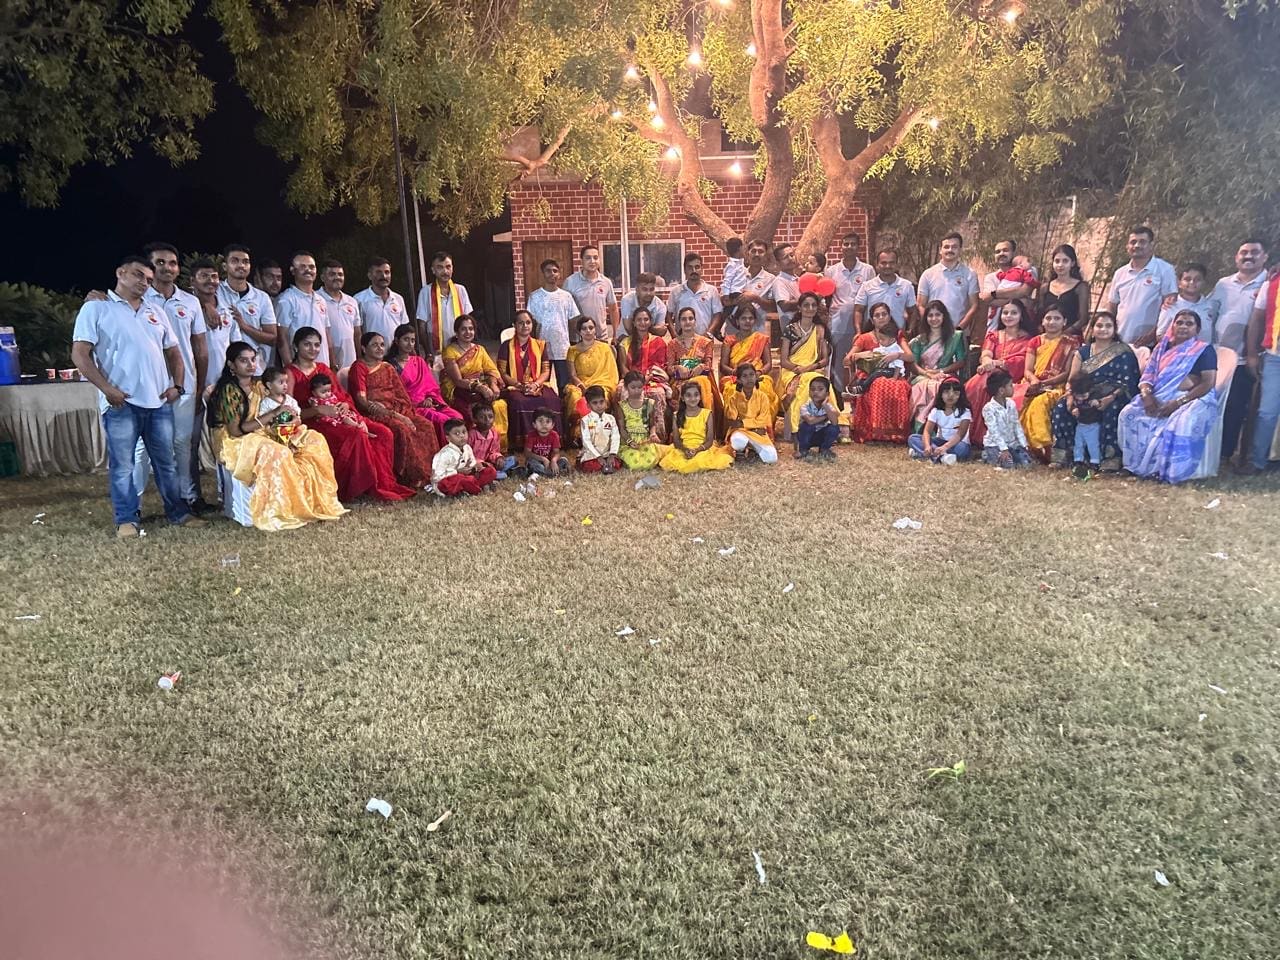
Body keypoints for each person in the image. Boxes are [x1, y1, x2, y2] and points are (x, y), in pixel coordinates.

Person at [71, 254, 205, 537]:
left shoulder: (154, 311)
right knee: (123, 466)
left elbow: (174, 352)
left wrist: (178, 386)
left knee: (166, 464)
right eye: (138, 275)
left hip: (159, 403)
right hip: (122, 403)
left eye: (148, 278)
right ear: (120, 273)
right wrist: (108, 390)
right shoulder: (97, 309)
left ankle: (178, 512)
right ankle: (126, 519)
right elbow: (80, 355)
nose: (144, 282)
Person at [207, 344, 346, 530]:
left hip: (266, 430)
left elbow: (284, 408)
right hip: (237, 439)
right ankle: (277, 509)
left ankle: (313, 502)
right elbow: (236, 431)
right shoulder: (229, 391)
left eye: (253, 359)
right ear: (232, 365)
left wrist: (289, 424)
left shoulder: (260, 385)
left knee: (315, 440)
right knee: (278, 452)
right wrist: (273, 415)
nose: (250, 364)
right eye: (243, 360)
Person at [287, 327, 414, 502]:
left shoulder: (323, 369)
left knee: (384, 433)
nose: (313, 349)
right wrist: (317, 410)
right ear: (296, 347)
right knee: (356, 434)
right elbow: (288, 411)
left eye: (316, 345)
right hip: (313, 422)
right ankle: (356, 487)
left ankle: (381, 483)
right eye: (307, 344)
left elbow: (342, 396)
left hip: (340, 417)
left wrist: (345, 405)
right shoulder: (290, 373)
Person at [136, 242, 209, 512]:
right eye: (160, 263)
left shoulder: (190, 302)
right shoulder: (139, 299)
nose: (167, 268)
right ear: (150, 267)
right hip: (150, 387)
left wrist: (198, 386)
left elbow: (200, 348)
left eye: (173, 263)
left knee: (182, 444)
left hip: (185, 385)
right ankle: (133, 505)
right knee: (142, 449)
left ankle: (187, 498)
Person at [1118, 310, 1219, 483]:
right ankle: (1134, 464)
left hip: (1192, 397)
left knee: (1180, 422)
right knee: (1128, 414)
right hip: (1159, 394)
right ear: (1172, 326)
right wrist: (1147, 396)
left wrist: (1178, 402)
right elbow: (1148, 376)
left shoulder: (1203, 350)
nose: (1183, 327)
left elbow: (1208, 383)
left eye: (1189, 324)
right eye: (1179, 323)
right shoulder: (1161, 347)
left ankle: (1164, 469)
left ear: (1197, 329)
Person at [1050, 311, 1140, 470]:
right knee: (1062, 406)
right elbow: (1072, 380)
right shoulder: (1082, 352)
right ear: (1092, 329)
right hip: (1084, 394)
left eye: (1108, 326)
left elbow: (1128, 382)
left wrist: (1109, 398)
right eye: (1099, 325)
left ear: (1114, 329)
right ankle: (1064, 454)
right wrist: (1070, 396)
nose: (1103, 329)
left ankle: (1110, 457)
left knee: (1112, 409)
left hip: (1115, 395)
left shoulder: (1124, 352)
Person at [349, 332, 439, 487]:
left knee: (426, 425)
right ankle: (411, 476)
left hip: (397, 409)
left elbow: (401, 394)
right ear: (363, 348)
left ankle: (432, 471)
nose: (379, 348)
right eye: (374, 345)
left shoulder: (387, 367)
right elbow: (362, 401)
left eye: (382, 345)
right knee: (402, 429)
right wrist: (389, 413)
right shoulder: (359, 367)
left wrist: (404, 412)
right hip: (375, 413)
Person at [1208, 239, 1268, 465]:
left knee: (1238, 406)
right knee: (1216, 404)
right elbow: (1209, 312)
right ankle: (1213, 450)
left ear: (1264, 257)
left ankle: (1229, 454)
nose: (1248, 256)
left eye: (1255, 252)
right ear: (1236, 257)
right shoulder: (1223, 284)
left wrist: (1253, 355)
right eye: (1244, 252)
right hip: (1219, 358)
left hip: (1248, 358)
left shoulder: (1269, 284)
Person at [965, 300, 1036, 446]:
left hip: (1012, 377)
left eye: (1014, 313)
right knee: (973, 385)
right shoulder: (994, 335)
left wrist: (998, 363)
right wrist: (987, 362)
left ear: (1021, 316)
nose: (1008, 316)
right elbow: (986, 354)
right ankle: (971, 434)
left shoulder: (1028, 339)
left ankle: (984, 436)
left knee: (988, 383)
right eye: (1005, 313)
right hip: (990, 372)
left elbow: (1021, 362)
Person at [1016, 305, 1079, 462]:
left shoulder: (1070, 343)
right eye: (1048, 318)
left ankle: (1043, 446)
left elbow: (1066, 373)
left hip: (1056, 386)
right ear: (1042, 321)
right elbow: (1027, 370)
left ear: (1064, 322)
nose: (1052, 322)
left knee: (1039, 404)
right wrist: (1034, 381)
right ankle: (1023, 447)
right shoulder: (1035, 341)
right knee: (1018, 403)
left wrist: (1044, 383)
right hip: (1032, 384)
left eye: (1057, 318)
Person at [845, 302, 912, 444]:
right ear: (871, 319)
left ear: (889, 316)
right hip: (870, 375)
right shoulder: (864, 338)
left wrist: (896, 355)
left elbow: (910, 357)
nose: (881, 317)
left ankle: (895, 433)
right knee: (879, 383)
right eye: (877, 315)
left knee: (898, 386)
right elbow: (847, 359)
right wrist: (864, 354)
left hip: (894, 373)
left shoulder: (897, 335)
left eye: (884, 314)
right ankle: (877, 432)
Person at [385, 323, 462, 442]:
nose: (410, 344)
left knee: (457, 417)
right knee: (443, 421)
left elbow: (430, 386)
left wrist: (430, 398)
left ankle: (459, 450)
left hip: (429, 403)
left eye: (412, 340)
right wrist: (418, 403)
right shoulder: (390, 366)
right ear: (396, 341)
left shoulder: (419, 361)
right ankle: (445, 451)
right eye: (406, 339)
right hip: (410, 407)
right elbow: (394, 393)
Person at [499, 309, 562, 449]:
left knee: (553, 400)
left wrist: (535, 384)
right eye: (521, 323)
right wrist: (519, 385)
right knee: (520, 402)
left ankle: (552, 441)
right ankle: (523, 442)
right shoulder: (506, 346)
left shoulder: (540, 345)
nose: (525, 326)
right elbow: (502, 372)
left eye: (528, 322)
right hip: (515, 386)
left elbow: (546, 371)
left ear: (532, 325)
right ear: (514, 325)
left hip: (538, 385)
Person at [1108, 225, 1178, 347]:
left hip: (1151, 342)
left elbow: (1170, 307)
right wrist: (1111, 333)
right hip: (1120, 340)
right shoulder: (1120, 273)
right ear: (1127, 246)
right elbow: (1112, 306)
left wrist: (1152, 335)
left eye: (1142, 242)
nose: (1137, 246)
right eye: (1133, 242)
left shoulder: (1165, 269)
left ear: (1151, 246)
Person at [440, 314, 508, 440]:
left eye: (471, 329)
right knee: (473, 404)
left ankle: (493, 441)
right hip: (458, 388)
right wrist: (480, 387)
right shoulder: (450, 351)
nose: (468, 332)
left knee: (503, 400)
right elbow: (458, 380)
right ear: (456, 332)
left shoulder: (479, 349)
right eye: (463, 329)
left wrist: (493, 384)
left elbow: (491, 370)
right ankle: (473, 440)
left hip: (480, 385)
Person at [779, 291, 838, 435]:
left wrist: (810, 367)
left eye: (813, 305)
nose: (810, 308)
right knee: (807, 383)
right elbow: (784, 361)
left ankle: (831, 425)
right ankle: (798, 428)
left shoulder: (820, 330)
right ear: (799, 308)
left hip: (812, 370)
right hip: (792, 371)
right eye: (806, 305)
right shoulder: (790, 329)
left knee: (820, 381)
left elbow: (824, 360)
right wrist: (798, 369)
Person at [825, 232, 876, 394]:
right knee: (838, 360)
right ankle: (838, 393)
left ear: (858, 247)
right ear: (841, 247)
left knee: (861, 358)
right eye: (845, 244)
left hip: (862, 324)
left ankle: (861, 392)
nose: (849, 247)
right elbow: (826, 297)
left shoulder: (868, 270)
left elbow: (872, 295)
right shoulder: (831, 271)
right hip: (838, 323)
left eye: (853, 244)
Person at [217, 243, 278, 373]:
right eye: (235, 261)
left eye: (245, 262)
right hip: (220, 369)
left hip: (254, 370)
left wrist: (244, 326)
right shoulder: (215, 291)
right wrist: (207, 305)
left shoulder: (261, 297)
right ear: (225, 266)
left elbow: (272, 338)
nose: (241, 265)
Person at [908, 300, 966, 430]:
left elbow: (961, 362)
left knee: (938, 386)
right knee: (926, 386)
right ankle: (921, 427)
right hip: (922, 375)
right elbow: (913, 365)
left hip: (945, 374)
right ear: (926, 318)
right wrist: (927, 373)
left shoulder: (955, 337)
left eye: (938, 315)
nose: (934, 318)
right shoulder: (918, 340)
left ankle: (939, 427)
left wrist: (941, 371)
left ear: (944, 316)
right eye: (930, 315)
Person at [1244, 264, 1280, 473]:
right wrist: (1251, 354)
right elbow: (1256, 320)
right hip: (1275, 357)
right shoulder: (1271, 283)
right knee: (1267, 412)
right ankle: (1257, 461)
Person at [525, 258, 579, 388]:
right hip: (541, 348)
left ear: (559, 274)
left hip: (562, 348)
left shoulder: (566, 296)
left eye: (555, 271)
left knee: (564, 386)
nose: (552, 274)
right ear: (543, 274)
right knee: (542, 385)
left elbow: (573, 320)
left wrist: (574, 342)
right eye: (548, 271)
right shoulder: (534, 297)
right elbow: (530, 323)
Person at [659, 381, 734, 473]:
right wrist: (685, 450)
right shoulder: (676, 415)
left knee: (700, 461)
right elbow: (676, 440)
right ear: (682, 398)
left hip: (702, 448)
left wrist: (697, 450)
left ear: (700, 397)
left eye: (696, 395)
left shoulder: (707, 414)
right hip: (683, 448)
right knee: (676, 460)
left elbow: (709, 440)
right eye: (688, 395)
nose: (693, 398)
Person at [275, 251, 330, 367]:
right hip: (299, 369)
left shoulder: (321, 300)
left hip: (323, 367)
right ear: (292, 270)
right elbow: (281, 337)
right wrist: (290, 368)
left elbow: (326, 334)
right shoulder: (286, 300)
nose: (308, 270)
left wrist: (333, 365)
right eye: (303, 267)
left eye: (312, 267)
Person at [719, 304, 778, 413]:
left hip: (757, 376)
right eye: (743, 318)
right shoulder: (729, 341)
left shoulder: (762, 339)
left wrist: (759, 373)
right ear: (737, 321)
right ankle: (736, 421)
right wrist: (736, 373)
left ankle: (761, 421)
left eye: (750, 318)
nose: (747, 321)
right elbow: (723, 366)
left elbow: (768, 364)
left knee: (763, 388)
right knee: (732, 390)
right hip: (735, 377)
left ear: (754, 321)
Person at [916, 233, 979, 335]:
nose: (950, 250)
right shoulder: (928, 274)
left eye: (954, 247)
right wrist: (932, 326)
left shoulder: (970, 274)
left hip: (959, 334)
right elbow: (920, 305)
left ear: (960, 249)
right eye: (946, 247)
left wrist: (959, 329)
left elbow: (974, 305)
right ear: (940, 250)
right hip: (934, 334)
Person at [563, 316, 620, 427]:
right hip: (581, 384)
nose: (588, 331)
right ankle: (577, 432)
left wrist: (595, 388)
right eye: (584, 328)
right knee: (574, 396)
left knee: (599, 396)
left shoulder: (605, 348)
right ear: (579, 332)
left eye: (591, 328)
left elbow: (611, 373)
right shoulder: (572, 350)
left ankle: (598, 429)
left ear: (595, 330)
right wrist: (582, 387)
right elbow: (572, 375)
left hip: (602, 384)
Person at [617, 306, 671, 417]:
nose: (643, 323)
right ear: (634, 323)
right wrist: (637, 381)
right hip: (630, 380)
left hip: (653, 379)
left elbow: (660, 367)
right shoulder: (625, 343)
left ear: (650, 322)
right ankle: (630, 426)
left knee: (658, 393)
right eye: (639, 320)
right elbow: (623, 368)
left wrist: (647, 378)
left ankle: (656, 428)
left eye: (646, 319)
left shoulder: (659, 342)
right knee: (621, 391)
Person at [416, 251, 473, 357]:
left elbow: (468, 323)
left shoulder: (460, 290)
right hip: (436, 351)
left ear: (452, 268)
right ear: (433, 270)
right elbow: (422, 327)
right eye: (440, 267)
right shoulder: (426, 292)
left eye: (448, 267)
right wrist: (428, 352)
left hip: (460, 350)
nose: (445, 271)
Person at [853, 248, 918, 334]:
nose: (888, 266)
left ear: (897, 264)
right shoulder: (867, 286)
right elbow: (858, 310)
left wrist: (910, 331)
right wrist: (858, 332)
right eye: (883, 263)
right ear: (877, 265)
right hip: (873, 336)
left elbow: (913, 311)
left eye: (891, 263)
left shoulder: (907, 286)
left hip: (897, 336)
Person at [667, 306, 720, 412]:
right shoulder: (672, 344)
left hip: (700, 379)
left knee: (701, 385)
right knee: (681, 389)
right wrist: (678, 368)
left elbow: (708, 365)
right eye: (683, 319)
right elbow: (669, 368)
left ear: (695, 321)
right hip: (679, 381)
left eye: (690, 318)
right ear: (679, 322)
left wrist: (701, 367)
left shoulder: (706, 342)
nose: (687, 322)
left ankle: (704, 420)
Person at [908, 377, 971, 464]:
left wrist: (945, 447)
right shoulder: (936, 411)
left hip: (956, 443)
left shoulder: (965, 412)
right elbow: (927, 431)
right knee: (913, 438)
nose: (950, 395)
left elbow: (960, 434)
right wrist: (927, 446)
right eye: (946, 392)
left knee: (963, 449)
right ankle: (942, 456)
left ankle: (923, 454)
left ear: (960, 396)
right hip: (940, 441)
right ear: (941, 394)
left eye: (955, 393)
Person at [563, 244, 619, 341]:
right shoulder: (570, 282)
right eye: (588, 258)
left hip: (601, 337)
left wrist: (615, 334)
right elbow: (563, 311)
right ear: (582, 261)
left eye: (595, 258)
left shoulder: (606, 282)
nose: (592, 261)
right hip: (578, 339)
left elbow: (613, 309)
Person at [978, 239, 1036, 332]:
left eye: (1005, 250)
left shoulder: (1027, 270)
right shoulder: (991, 277)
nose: (1001, 253)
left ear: (1014, 253)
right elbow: (990, 301)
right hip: (995, 329)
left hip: (1022, 329)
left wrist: (994, 294)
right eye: (997, 252)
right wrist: (1019, 299)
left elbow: (1025, 291)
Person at [724, 364, 778, 464]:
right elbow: (733, 422)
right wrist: (753, 427)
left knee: (772, 458)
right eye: (745, 376)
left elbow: (763, 420)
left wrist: (743, 423)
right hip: (744, 432)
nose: (749, 378)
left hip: (757, 433)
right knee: (737, 440)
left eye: (751, 375)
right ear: (739, 380)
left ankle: (752, 449)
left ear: (756, 377)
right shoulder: (734, 398)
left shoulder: (763, 397)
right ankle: (741, 451)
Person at [616, 371, 668, 469]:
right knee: (634, 463)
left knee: (650, 460)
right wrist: (629, 441)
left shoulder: (649, 403)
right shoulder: (622, 406)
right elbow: (622, 428)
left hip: (645, 440)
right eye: (633, 387)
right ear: (626, 387)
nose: (637, 390)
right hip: (629, 441)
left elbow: (652, 424)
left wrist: (653, 433)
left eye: (640, 387)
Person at [431, 419, 497, 496]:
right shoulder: (444, 454)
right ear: (448, 438)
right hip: (450, 481)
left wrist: (475, 467)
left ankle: (472, 487)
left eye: (464, 432)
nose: (462, 436)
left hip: (467, 477)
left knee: (490, 470)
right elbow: (437, 477)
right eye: (457, 433)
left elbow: (472, 463)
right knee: (459, 479)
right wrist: (457, 472)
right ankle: (476, 488)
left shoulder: (467, 448)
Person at [354, 257, 410, 348]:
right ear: (369, 275)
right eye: (378, 272)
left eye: (387, 272)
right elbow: (357, 332)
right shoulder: (359, 299)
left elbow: (404, 330)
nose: (383, 276)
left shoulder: (398, 299)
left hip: (395, 353)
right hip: (372, 353)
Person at [726, 238, 777, 337]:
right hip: (733, 332)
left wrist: (755, 298)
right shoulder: (735, 274)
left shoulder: (771, 279)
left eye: (761, 251)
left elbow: (773, 307)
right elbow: (723, 300)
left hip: (758, 333)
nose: (757, 254)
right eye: (753, 251)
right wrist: (736, 299)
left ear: (766, 255)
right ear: (747, 254)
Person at [982, 370, 1032, 468]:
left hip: (1012, 444)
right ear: (1001, 390)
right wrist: (1004, 449)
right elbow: (994, 431)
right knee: (1008, 465)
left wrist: (1024, 444)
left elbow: (1016, 424)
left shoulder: (1011, 404)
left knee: (1027, 463)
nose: (1013, 387)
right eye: (1010, 385)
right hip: (995, 445)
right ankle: (988, 454)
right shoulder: (988, 409)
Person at [1155, 262, 1216, 343]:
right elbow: (1160, 335)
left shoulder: (1210, 306)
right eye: (1187, 279)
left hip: (1205, 350)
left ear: (1203, 282)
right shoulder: (1170, 305)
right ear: (1179, 283)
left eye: (1197, 279)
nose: (1192, 282)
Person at [1038, 243, 1091, 337]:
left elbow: (1083, 319)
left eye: (1065, 261)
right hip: (1047, 337)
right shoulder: (1045, 287)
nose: (1060, 265)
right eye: (1057, 261)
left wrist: (1062, 335)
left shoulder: (1081, 287)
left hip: (1071, 337)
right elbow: (1040, 315)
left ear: (1072, 263)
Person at [666, 252, 723, 338]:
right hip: (682, 340)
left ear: (702, 269)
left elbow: (717, 315)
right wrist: (674, 335)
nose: (694, 271)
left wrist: (708, 334)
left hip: (705, 340)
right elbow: (668, 315)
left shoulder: (711, 290)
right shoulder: (676, 292)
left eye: (697, 267)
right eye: (690, 267)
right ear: (684, 270)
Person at [317, 259, 360, 371]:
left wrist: (360, 360)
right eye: (332, 274)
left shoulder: (351, 301)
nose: (337, 277)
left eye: (340, 274)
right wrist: (332, 362)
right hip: (325, 362)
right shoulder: (316, 300)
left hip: (350, 363)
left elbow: (357, 334)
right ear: (322, 277)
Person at [1067, 372, 1103, 479]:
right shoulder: (1074, 396)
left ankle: (1095, 462)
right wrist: (1073, 409)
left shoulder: (1095, 394)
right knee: (1078, 444)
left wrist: (1097, 403)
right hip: (1080, 425)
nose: (1081, 399)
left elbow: (1101, 404)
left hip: (1093, 425)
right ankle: (1078, 460)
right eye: (1078, 396)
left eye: (1083, 396)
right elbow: (1071, 405)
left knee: (1093, 444)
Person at [578, 386, 621, 473]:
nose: (599, 406)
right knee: (592, 466)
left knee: (616, 464)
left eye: (601, 402)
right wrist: (598, 456)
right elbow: (586, 441)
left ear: (606, 402)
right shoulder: (585, 420)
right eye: (595, 403)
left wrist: (612, 454)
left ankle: (607, 464)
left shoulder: (611, 418)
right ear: (588, 406)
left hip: (607, 453)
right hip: (591, 455)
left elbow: (615, 437)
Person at [468, 402, 517, 480]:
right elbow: (467, 456)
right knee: (481, 471)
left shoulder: (494, 433)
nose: (487, 420)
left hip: (489, 464)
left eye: (490, 417)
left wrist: (498, 458)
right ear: (474, 419)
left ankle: (496, 473)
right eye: (482, 417)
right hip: (476, 465)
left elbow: (494, 452)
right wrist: (481, 463)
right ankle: (499, 473)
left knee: (513, 459)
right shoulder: (471, 435)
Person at [795, 376, 840, 460]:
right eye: (812, 389)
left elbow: (834, 422)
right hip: (807, 437)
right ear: (809, 393)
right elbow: (810, 421)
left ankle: (824, 449)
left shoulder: (828, 407)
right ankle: (803, 450)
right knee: (806, 426)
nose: (815, 392)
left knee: (834, 428)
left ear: (827, 394)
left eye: (820, 389)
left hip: (821, 436)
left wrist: (825, 405)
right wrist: (826, 416)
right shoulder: (805, 406)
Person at [618, 272, 669, 339]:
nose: (648, 293)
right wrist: (651, 328)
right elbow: (629, 328)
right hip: (625, 338)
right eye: (644, 289)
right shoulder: (627, 300)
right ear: (637, 290)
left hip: (649, 341)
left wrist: (639, 326)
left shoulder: (661, 306)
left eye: (651, 289)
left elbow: (661, 332)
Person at [524, 408, 570, 477]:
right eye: (540, 421)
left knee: (563, 460)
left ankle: (544, 473)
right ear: (534, 424)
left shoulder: (554, 435)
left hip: (550, 463)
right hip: (537, 461)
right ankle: (551, 473)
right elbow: (527, 453)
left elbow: (556, 452)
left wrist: (553, 461)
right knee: (530, 462)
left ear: (552, 425)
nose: (544, 424)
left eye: (548, 421)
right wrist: (543, 459)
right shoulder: (531, 435)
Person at [770, 244, 802, 329]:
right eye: (785, 257)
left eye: (792, 255)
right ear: (778, 263)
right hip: (792, 330)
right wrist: (809, 299)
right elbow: (785, 306)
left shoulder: (799, 280)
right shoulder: (779, 281)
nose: (790, 259)